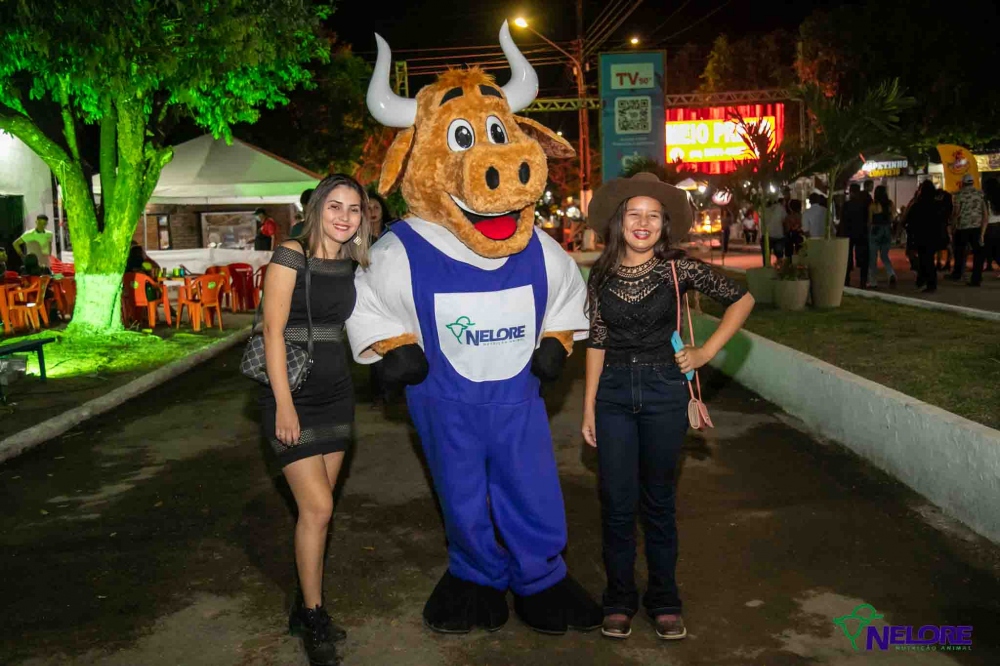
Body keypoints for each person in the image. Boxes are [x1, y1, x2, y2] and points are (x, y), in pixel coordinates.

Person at [581, 173, 755, 641]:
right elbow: (596, 340)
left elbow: (742, 300)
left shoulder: (678, 267)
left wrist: (705, 353)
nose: (643, 223)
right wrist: (589, 406)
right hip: (614, 394)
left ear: (664, 225)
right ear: (620, 221)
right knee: (617, 504)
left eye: (653, 216)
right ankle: (619, 599)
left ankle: (664, 600)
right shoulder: (601, 273)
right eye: (634, 214)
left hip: (664, 391)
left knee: (658, 503)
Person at [259, 174, 371, 666]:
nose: (345, 217)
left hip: (337, 394)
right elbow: (272, 331)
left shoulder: (353, 264)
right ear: (318, 209)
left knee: (316, 513)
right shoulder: (291, 254)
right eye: (335, 207)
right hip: (292, 395)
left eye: (354, 209)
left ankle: (304, 604)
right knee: (320, 508)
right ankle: (313, 614)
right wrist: (283, 404)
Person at [906, 181, 946, 293]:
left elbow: (911, 221)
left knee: (924, 259)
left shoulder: (917, 205)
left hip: (921, 236)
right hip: (933, 236)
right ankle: (927, 281)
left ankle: (927, 282)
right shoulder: (937, 205)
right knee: (928, 259)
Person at [948, 173, 988, 286]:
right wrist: (983, 231)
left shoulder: (959, 195)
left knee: (959, 252)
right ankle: (976, 278)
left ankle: (957, 274)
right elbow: (985, 213)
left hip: (962, 227)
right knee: (978, 253)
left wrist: (952, 226)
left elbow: (956, 213)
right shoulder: (980, 194)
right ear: (973, 182)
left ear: (963, 183)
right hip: (976, 227)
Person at [839, 183, 870, 288]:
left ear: (851, 192)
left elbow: (843, 220)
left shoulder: (846, 205)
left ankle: (846, 280)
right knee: (863, 258)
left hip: (848, 233)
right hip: (861, 233)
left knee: (847, 257)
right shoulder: (864, 205)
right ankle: (863, 281)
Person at [867, 186, 897, 288]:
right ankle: (891, 273)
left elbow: (870, 221)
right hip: (887, 230)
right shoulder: (890, 204)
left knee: (873, 257)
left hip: (876, 230)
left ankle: (873, 281)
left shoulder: (873, 206)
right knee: (884, 255)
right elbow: (893, 218)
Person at [981, 179, 1000, 277]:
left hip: (991, 227)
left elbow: (985, 217)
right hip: (999, 225)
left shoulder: (986, 199)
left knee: (991, 250)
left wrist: (982, 233)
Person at [762, 198, 787, 264]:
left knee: (766, 257)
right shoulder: (781, 208)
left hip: (767, 236)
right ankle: (780, 267)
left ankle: (767, 267)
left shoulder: (764, 209)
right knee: (779, 256)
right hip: (779, 235)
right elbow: (785, 221)